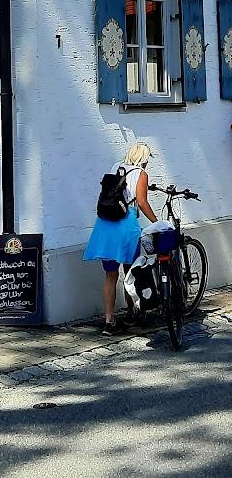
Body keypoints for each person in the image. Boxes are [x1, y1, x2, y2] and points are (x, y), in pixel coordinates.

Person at [83, 142, 158, 335]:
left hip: (106, 225)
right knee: (130, 271)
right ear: (144, 158)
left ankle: (109, 321)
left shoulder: (116, 167)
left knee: (110, 275)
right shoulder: (141, 174)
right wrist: (156, 222)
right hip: (126, 225)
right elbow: (141, 202)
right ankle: (132, 313)